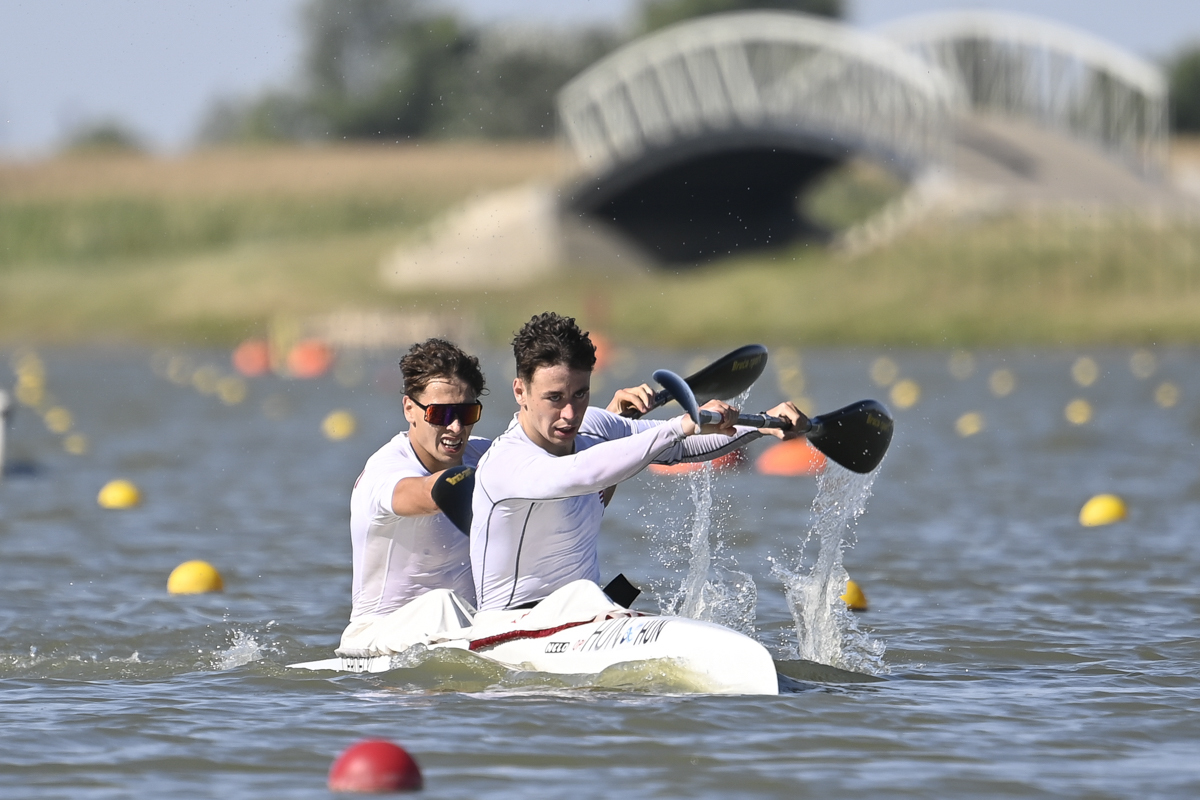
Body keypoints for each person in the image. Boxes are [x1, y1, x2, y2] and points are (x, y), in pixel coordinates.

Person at [336, 337, 668, 655]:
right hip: (378, 636)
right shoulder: (386, 471)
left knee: (574, 592)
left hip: (470, 628)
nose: (456, 428)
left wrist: (612, 427)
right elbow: (426, 493)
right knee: (441, 603)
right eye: (441, 415)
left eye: (466, 414)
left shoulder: (485, 457)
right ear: (410, 408)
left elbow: (574, 482)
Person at [469, 312, 808, 613]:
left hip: (586, 615)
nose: (570, 414)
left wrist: (762, 424)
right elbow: (581, 472)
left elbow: (680, 447)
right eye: (554, 398)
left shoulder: (597, 427)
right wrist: (682, 424)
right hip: (508, 627)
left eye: (580, 394)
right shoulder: (507, 462)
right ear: (520, 391)